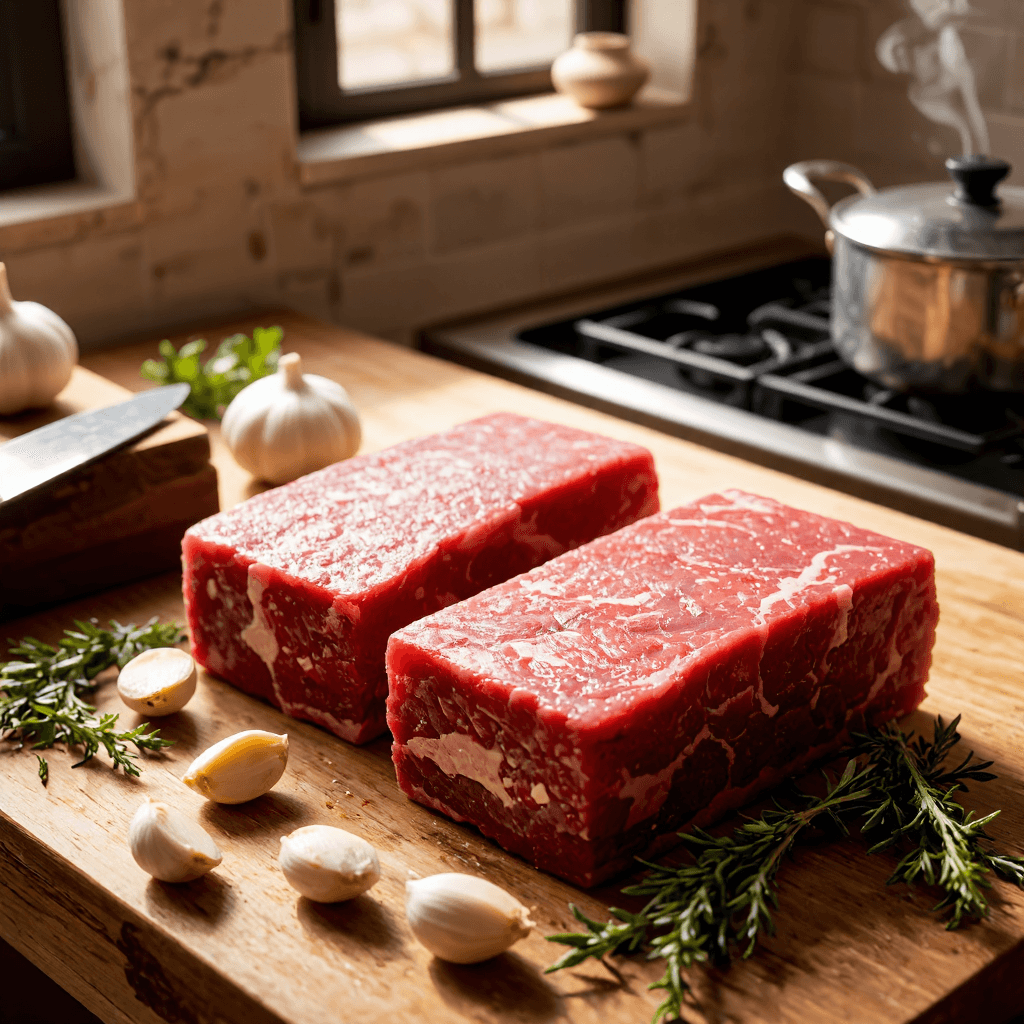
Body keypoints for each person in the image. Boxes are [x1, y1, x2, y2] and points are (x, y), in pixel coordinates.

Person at [876, 0, 990, 156]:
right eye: (898, 59)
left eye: (901, 50)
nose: (903, 55)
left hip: (964, 63)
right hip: (956, 78)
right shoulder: (919, 93)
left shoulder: (931, 40)